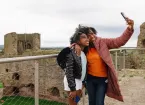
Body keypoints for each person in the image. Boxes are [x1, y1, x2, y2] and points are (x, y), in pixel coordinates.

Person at [73, 18, 134, 105]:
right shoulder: (84, 47)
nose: (92, 35)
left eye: (93, 33)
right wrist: (75, 45)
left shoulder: (102, 42)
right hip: (90, 79)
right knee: (92, 102)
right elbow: (73, 45)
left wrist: (130, 28)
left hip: (102, 80)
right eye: (89, 34)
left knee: (99, 102)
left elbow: (119, 41)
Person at [57, 26, 89, 105]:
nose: (87, 39)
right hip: (72, 83)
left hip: (79, 82)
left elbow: (84, 69)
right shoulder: (72, 52)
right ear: (78, 40)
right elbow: (69, 72)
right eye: (83, 37)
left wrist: (83, 83)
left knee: (75, 102)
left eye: (87, 37)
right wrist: (73, 89)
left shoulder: (83, 53)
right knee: (73, 103)